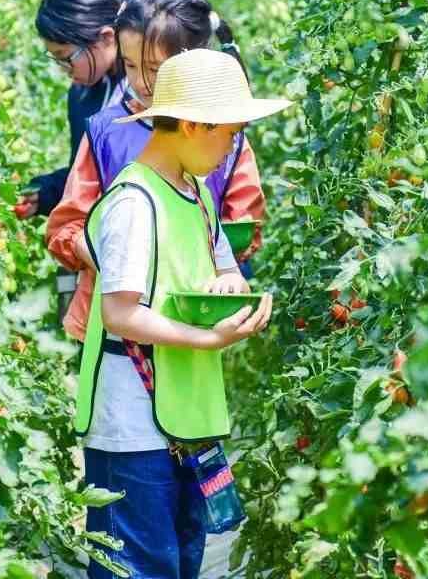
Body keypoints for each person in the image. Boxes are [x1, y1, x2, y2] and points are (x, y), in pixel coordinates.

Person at [75, 48, 289, 579]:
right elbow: (120, 314)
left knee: (179, 561)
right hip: (133, 431)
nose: (233, 148)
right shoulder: (134, 203)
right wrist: (209, 339)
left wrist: (231, 290)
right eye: (229, 134)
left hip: (183, 422)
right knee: (138, 567)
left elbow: (227, 269)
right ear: (192, 125)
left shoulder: (196, 195)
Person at [47, 0, 267, 342]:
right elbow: (66, 227)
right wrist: (117, 258)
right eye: (130, 65)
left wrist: (224, 271)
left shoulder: (227, 138)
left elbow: (240, 226)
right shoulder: (106, 132)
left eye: (155, 68)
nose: (142, 82)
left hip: (195, 320)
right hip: (112, 327)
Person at [21, 0, 125, 220]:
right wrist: (44, 193)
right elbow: (84, 175)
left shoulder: (144, 92)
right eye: (56, 59)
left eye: (66, 58)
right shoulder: (81, 96)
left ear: (106, 38)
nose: (64, 69)